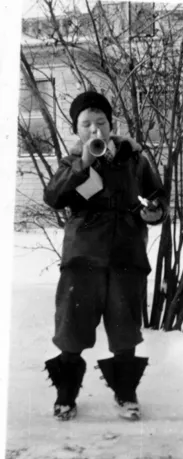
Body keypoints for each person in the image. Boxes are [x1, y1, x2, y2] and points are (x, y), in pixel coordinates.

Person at [43, 90, 168, 422]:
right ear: (77, 130)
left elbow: (157, 198)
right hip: (83, 259)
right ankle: (66, 395)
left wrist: (154, 213)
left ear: (112, 125)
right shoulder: (72, 162)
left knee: (125, 330)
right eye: (87, 124)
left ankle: (126, 394)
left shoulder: (135, 158)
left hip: (126, 255)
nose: (95, 130)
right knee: (72, 329)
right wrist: (83, 164)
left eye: (101, 122)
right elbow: (54, 197)